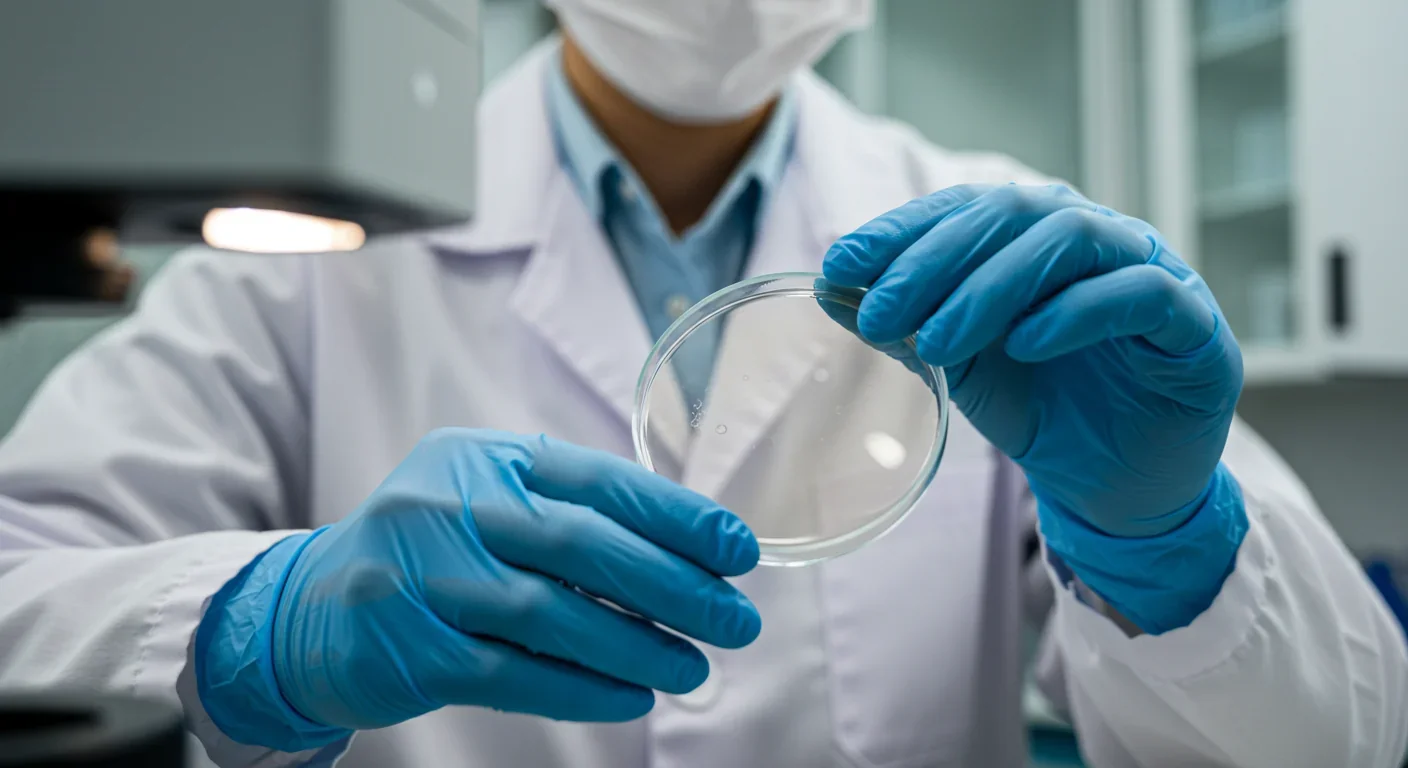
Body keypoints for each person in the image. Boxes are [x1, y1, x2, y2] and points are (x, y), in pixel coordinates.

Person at [0, 1, 1404, 766]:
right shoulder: (306, 256)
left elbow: (1345, 742)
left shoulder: (1002, 254)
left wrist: (1173, 549)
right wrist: (258, 627)